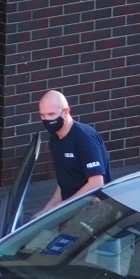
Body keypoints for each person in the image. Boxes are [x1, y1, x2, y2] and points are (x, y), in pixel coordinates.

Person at [34, 90, 112, 219]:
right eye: (42, 115)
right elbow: (65, 181)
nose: (47, 119)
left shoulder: (84, 137)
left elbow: (96, 183)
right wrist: (47, 209)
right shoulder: (55, 139)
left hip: (94, 210)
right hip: (72, 209)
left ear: (66, 111)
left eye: (51, 114)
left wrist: (60, 207)